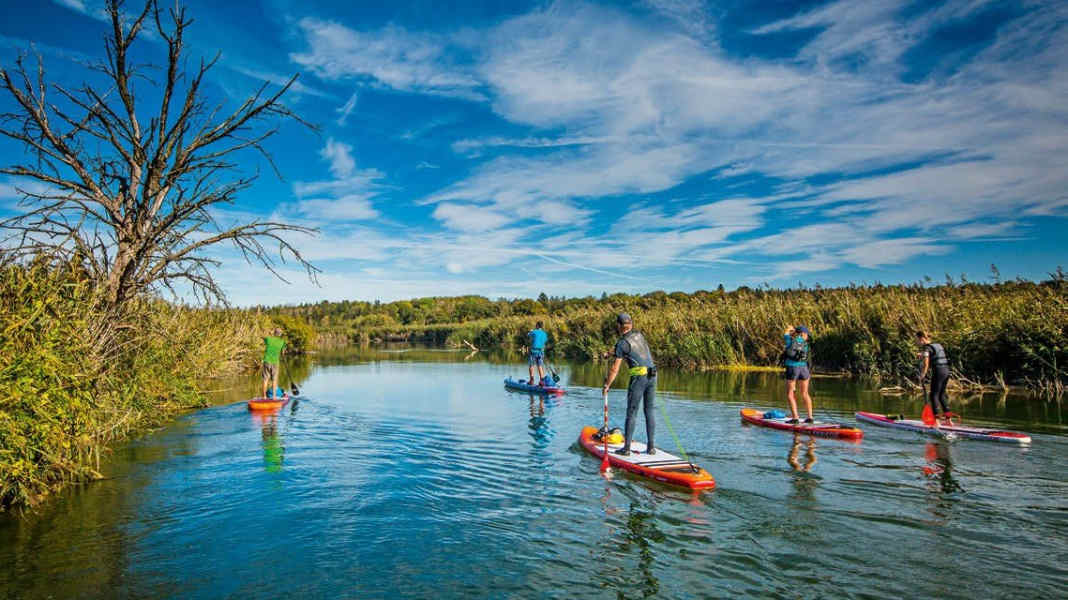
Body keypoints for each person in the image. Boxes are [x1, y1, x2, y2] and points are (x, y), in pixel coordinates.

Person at [602, 313, 657, 456]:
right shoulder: (639, 335)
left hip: (639, 378)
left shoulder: (622, 342)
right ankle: (651, 448)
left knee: (631, 413)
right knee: (649, 411)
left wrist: (607, 385)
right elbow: (627, 349)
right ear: (631, 324)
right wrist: (610, 353)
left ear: (619, 326)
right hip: (653, 375)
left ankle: (626, 449)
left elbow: (615, 369)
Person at [916, 331, 952, 425]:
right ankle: (948, 420)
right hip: (946, 371)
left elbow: (926, 364)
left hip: (939, 372)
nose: (917, 342)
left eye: (917, 340)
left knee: (933, 395)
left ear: (922, 339)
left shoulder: (926, 348)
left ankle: (936, 421)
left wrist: (922, 375)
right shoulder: (938, 345)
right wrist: (922, 355)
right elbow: (934, 354)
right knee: (941, 395)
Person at [783, 325, 813, 424]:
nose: (808, 336)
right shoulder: (806, 344)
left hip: (792, 368)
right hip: (804, 369)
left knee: (790, 394)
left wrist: (790, 330)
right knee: (805, 393)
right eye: (807, 334)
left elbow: (785, 334)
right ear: (804, 334)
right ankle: (810, 417)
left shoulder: (791, 341)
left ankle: (795, 418)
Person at [262, 328, 286, 399]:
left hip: (266, 361)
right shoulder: (282, 342)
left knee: (265, 379)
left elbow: (262, 336)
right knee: (274, 380)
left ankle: (264, 396)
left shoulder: (268, 339)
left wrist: (269, 333)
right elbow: (283, 353)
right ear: (280, 334)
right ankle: (274, 397)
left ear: (274, 333)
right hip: (275, 362)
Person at [527, 321, 549, 385]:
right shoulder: (545, 334)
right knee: (540, 365)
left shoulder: (534, 332)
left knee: (531, 365)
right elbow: (544, 341)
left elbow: (528, 335)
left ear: (537, 326)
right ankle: (542, 381)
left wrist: (530, 331)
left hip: (533, 351)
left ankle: (531, 380)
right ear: (542, 326)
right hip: (541, 352)